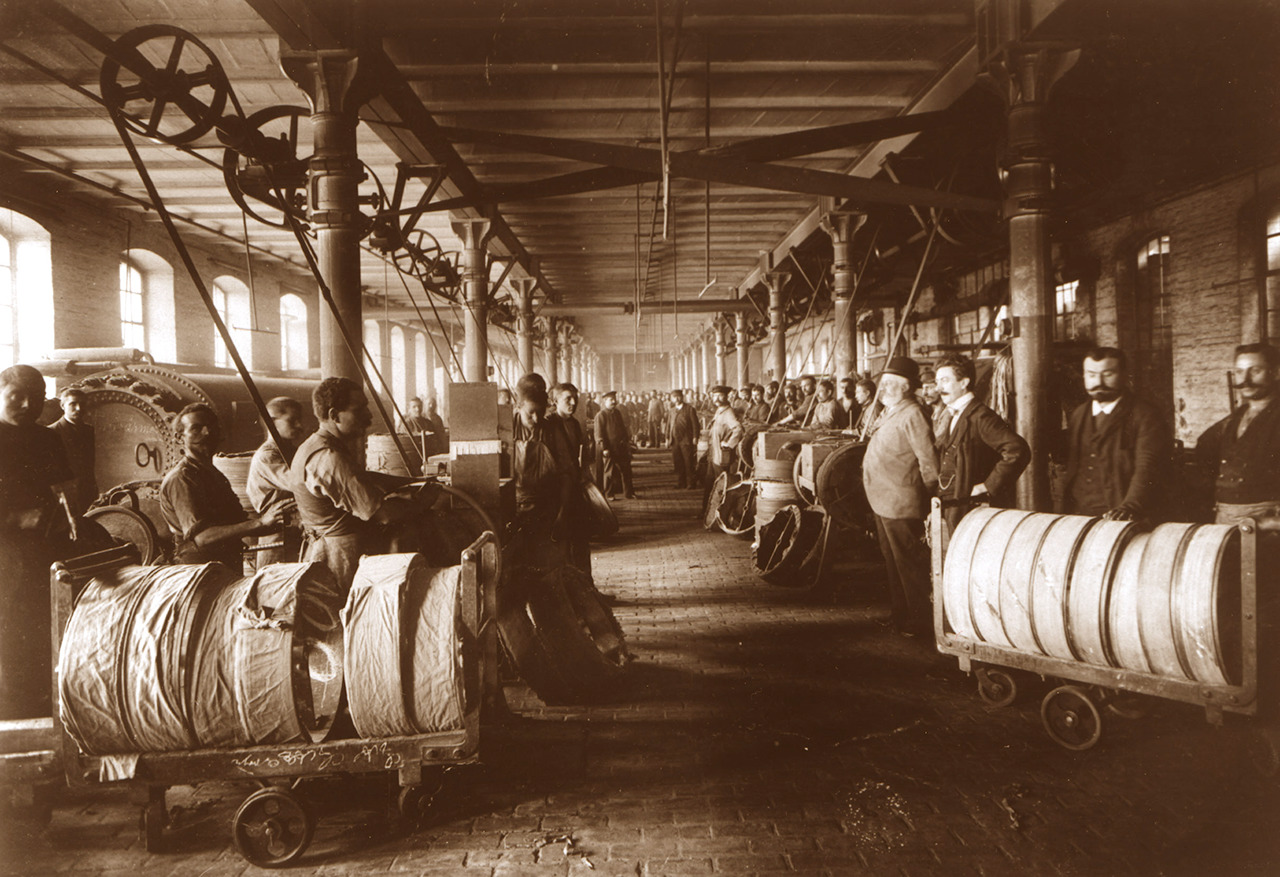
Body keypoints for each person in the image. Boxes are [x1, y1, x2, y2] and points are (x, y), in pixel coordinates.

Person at [290, 377, 418, 591]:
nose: (368, 416)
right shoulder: (329, 457)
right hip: (341, 557)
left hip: (324, 547)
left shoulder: (313, 446)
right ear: (333, 415)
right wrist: (421, 502)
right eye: (359, 410)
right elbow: (383, 514)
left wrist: (413, 482)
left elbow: (362, 478)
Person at [0, 365, 77, 719]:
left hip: (46, 550)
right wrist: (15, 519)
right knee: (11, 631)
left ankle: (48, 705)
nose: (27, 405)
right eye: (17, 396)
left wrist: (68, 513)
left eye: (36, 397)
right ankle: (14, 714)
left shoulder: (46, 438)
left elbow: (65, 490)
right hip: (6, 553)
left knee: (48, 623)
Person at [861, 357, 939, 636]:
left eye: (891, 385)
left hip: (901, 501)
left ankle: (919, 623)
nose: (883, 390)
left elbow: (928, 459)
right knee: (893, 561)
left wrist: (931, 495)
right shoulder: (892, 410)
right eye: (883, 384)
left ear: (907, 387)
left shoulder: (913, 413)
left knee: (909, 564)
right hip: (883, 499)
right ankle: (900, 615)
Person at [160, 403, 282, 570]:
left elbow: (238, 524)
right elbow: (202, 538)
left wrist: (279, 523)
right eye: (196, 429)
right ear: (180, 438)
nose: (207, 433)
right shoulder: (182, 478)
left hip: (224, 566)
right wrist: (260, 523)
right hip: (198, 572)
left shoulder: (212, 474)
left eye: (211, 426)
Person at [1060, 347, 1169, 521]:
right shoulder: (1079, 414)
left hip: (1121, 515)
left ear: (1124, 375)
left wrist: (1130, 506)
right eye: (1091, 374)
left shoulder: (1145, 415)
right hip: (1079, 513)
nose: (1099, 382)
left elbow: (1147, 466)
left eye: (1108, 374)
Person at [933, 356, 1030, 532]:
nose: (938, 388)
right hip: (953, 505)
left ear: (964, 383)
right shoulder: (952, 414)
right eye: (937, 381)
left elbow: (1017, 450)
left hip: (971, 509)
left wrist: (988, 486)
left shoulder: (981, 416)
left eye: (945, 381)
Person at [1194, 343, 1280, 526]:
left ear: (1276, 373)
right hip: (1225, 519)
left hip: (1267, 524)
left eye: (1255, 371)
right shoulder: (1233, 419)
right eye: (1239, 372)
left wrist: (1270, 523)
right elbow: (1204, 450)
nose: (1245, 380)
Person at [246, 396, 308, 564]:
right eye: (293, 421)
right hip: (278, 534)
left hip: (295, 530)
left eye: (299, 420)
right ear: (272, 422)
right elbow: (303, 483)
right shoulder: (268, 456)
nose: (299, 426)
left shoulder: (290, 451)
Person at [50, 386, 97, 515]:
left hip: (87, 490)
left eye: (82, 404)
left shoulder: (88, 430)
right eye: (73, 404)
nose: (79, 408)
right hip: (64, 494)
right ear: (63, 406)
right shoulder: (51, 432)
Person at [704, 385, 744, 505]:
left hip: (721, 457)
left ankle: (718, 511)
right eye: (715, 396)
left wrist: (728, 444)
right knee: (709, 483)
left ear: (726, 397)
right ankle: (706, 511)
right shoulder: (719, 411)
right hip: (713, 455)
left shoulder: (728, 413)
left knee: (720, 484)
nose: (716, 399)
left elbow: (738, 429)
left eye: (720, 396)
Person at [594, 391, 636, 499]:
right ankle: (609, 494)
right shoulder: (601, 415)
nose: (614, 401)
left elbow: (622, 428)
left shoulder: (617, 413)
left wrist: (627, 442)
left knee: (626, 470)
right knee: (609, 473)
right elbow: (599, 434)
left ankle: (629, 493)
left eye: (614, 399)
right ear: (605, 401)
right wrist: (604, 448)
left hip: (621, 447)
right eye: (611, 400)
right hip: (609, 448)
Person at [668, 389, 700, 490]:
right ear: (672, 399)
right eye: (674, 397)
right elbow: (669, 425)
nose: (676, 399)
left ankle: (691, 483)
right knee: (678, 462)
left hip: (686, 440)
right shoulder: (672, 410)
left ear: (682, 397)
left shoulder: (689, 409)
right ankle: (681, 482)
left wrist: (695, 437)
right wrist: (667, 438)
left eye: (678, 396)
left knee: (688, 462)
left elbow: (696, 425)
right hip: (675, 440)